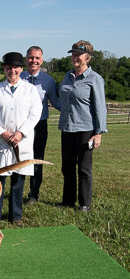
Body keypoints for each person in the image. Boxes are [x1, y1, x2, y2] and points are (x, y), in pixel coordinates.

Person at [0, 52, 42, 226]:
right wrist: (3, 132)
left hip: (21, 142)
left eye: (16, 68)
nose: (12, 71)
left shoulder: (30, 90)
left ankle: (16, 215)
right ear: (4, 69)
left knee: (18, 179)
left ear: (21, 69)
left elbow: (35, 114)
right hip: (1, 141)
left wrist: (20, 133)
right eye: (9, 68)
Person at [58, 40, 107, 212]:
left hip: (85, 129)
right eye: (73, 54)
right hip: (67, 128)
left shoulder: (95, 79)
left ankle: (84, 204)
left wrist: (99, 132)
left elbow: (100, 107)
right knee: (67, 167)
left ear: (88, 57)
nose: (75, 57)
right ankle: (68, 201)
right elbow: (62, 102)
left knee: (84, 169)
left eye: (78, 55)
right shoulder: (67, 76)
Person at [20, 46, 61, 205]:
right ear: (26, 59)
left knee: (37, 160)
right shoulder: (19, 76)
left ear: (42, 60)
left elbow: (57, 102)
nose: (33, 61)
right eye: (31, 57)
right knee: (20, 159)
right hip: (20, 127)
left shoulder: (48, 81)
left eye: (37, 58)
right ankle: (17, 192)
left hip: (39, 126)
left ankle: (33, 195)